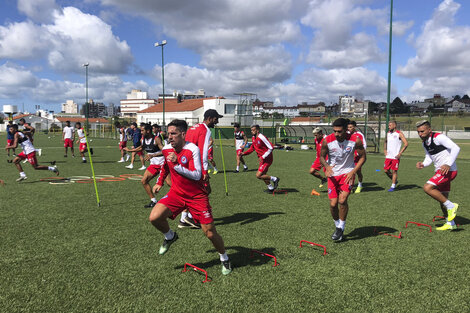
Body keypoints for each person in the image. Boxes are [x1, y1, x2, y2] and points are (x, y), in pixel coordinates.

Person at [149, 119, 232, 275]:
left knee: (209, 232)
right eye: (168, 134)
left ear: (183, 134)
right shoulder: (167, 149)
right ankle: (170, 236)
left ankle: (224, 258)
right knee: (155, 217)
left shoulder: (193, 149)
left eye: (173, 134)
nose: (170, 137)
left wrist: (178, 164)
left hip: (196, 196)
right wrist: (160, 181)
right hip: (176, 193)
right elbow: (165, 165)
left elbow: (196, 175)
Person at [320, 118, 366, 241]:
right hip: (333, 175)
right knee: (333, 204)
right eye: (334, 131)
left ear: (346, 130)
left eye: (339, 131)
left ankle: (341, 227)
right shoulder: (327, 140)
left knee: (342, 200)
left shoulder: (355, 140)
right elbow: (321, 157)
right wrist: (326, 166)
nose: (336, 134)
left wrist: (353, 171)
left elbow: (363, 157)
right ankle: (337, 227)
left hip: (347, 174)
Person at [416, 120, 460, 231]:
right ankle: (450, 223)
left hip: (448, 171)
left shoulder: (439, 137)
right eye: (418, 132)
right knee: (442, 199)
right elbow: (429, 158)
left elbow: (456, 148)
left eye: (422, 131)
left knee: (427, 187)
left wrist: (448, 164)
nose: (420, 134)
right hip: (440, 172)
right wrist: (423, 164)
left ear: (429, 130)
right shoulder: (424, 143)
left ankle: (451, 206)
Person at [182, 109, 223, 228]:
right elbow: (203, 151)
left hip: (186, 163)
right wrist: (204, 171)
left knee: (194, 192)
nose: (217, 121)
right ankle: (188, 217)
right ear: (209, 118)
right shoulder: (205, 130)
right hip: (196, 166)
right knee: (202, 192)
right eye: (216, 119)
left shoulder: (194, 127)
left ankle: (185, 218)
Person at [125, 124, 167, 208]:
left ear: (148, 131)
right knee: (144, 181)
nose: (141, 132)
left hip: (164, 164)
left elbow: (165, 151)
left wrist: (153, 155)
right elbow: (141, 147)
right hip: (154, 165)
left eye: (142, 130)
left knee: (171, 184)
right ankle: (153, 201)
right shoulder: (143, 139)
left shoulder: (156, 139)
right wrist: (130, 150)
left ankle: (183, 200)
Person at [241, 124, 280, 192]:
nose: (252, 131)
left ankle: (275, 179)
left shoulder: (262, 137)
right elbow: (252, 148)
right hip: (262, 160)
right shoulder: (253, 138)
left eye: (253, 130)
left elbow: (271, 147)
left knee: (258, 175)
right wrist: (244, 153)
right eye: (251, 130)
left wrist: (263, 156)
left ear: (257, 130)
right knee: (263, 175)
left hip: (267, 159)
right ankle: (270, 188)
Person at [384, 120, 408, 191]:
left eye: (390, 125)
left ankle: (393, 186)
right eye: (388, 125)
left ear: (395, 126)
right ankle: (395, 180)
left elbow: (406, 144)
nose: (389, 127)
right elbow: (385, 141)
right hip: (388, 156)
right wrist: (385, 149)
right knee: (386, 170)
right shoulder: (388, 133)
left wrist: (400, 153)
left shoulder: (399, 133)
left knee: (394, 171)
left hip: (395, 157)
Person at [347, 121, 367, 193]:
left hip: (358, 158)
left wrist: (358, 154)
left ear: (354, 127)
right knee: (349, 171)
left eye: (350, 127)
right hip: (349, 157)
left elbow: (364, 145)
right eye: (348, 127)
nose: (349, 129)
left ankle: (359, 185)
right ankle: (350, 186)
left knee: (357, 172)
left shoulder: (359, 135)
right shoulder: (347, 135)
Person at [309, 127, 327, 195]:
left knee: (329, 174)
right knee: (311, 171)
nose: (315, 137)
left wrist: (325, 160)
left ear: (320, 133)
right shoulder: (316, 139)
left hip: (327, 158)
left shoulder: (327, 139)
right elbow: (317, 148)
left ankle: (338, 188)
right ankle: (323, 179)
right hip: (319, 158)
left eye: (316, 135)